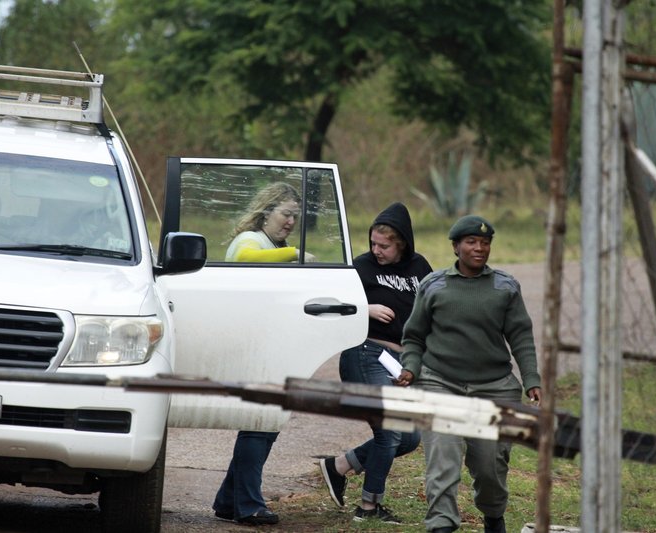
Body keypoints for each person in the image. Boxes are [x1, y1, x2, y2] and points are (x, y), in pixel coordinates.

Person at [397, 214, 542, 533]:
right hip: (439, 383)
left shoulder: (505, 286)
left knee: (490, 466)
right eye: (472, 242)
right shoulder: (434, 285)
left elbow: (520, 335)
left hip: (495, 388)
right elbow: (414, 336)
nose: (480, 248)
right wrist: (410, 368)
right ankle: (442, 523)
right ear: (455, 247)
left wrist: (532, 379)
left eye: (485, 243)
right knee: (442, 457)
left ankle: (493, 516)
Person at [319, 202, 433, 524]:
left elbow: (435, 304)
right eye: (373, 243)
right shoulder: (362, 267)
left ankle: (339, 466)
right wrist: (364, 308)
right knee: (390, 429)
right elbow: (330, 300)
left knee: (409, 437)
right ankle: (369, 507)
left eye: (384, 245)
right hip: (365, 353)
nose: (376, 250)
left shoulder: (420, 267)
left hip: (401, 361)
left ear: (402, 244)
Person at [212, 181, 307, 526]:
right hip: (251, 348)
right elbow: (250, 260)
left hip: (267, 346)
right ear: (266, 212)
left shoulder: (272, 243)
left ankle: (228, 500)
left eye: (295, 216)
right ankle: (249, 504)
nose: (290, 222)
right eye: (286, 214)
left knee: (267, 424)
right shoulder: (249, 242)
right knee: (258, 424)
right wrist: (294, 255)